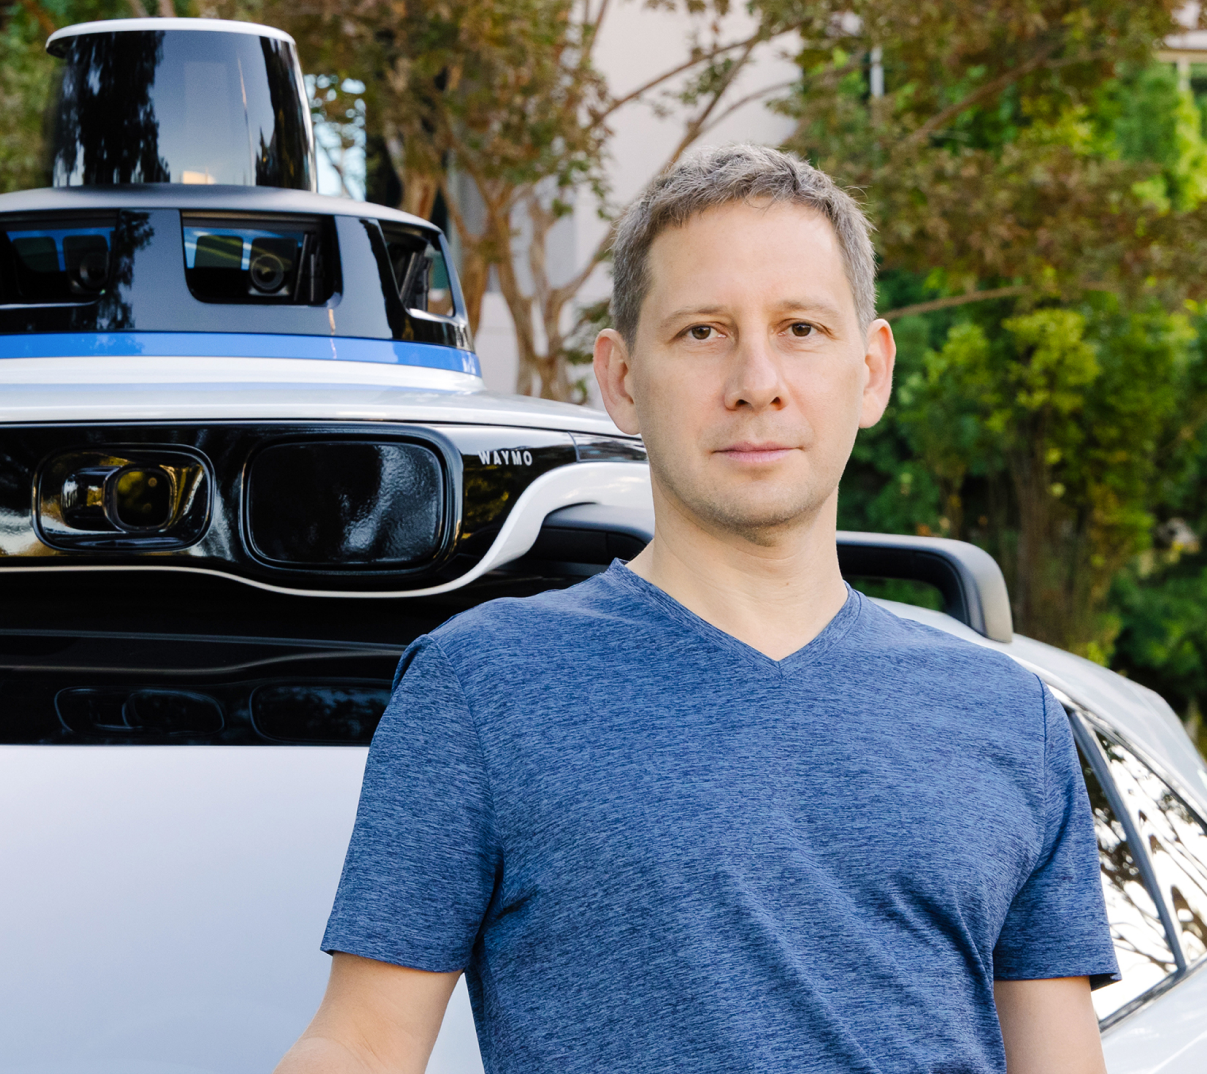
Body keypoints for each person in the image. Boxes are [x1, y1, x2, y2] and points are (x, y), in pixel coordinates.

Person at [275, 144, 1118, 1074]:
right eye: (703, 332)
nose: (757, 380)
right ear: (622, 379)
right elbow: (360, 1042)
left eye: (801, 328)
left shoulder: (1010, 716)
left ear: (871, 371)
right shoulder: (480, 689)